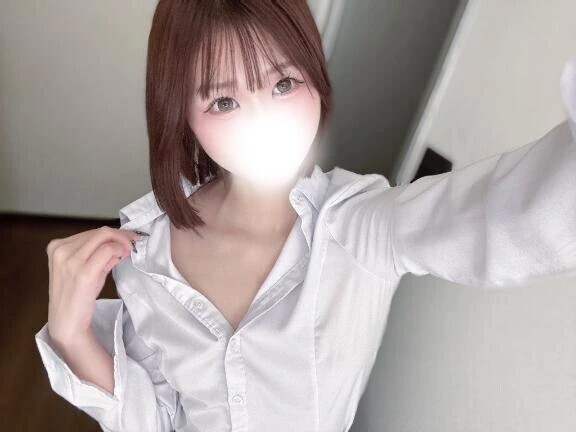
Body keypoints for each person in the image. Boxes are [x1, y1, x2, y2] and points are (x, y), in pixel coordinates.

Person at [34, 1, 576, 431]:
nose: (263, 120)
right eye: (223, 102)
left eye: (283, 84)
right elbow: (160, 418)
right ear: (181, 116)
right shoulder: (148, 253)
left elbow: (505, 217)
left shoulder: (357, 228)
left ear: (315, 77)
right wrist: (73, 337)